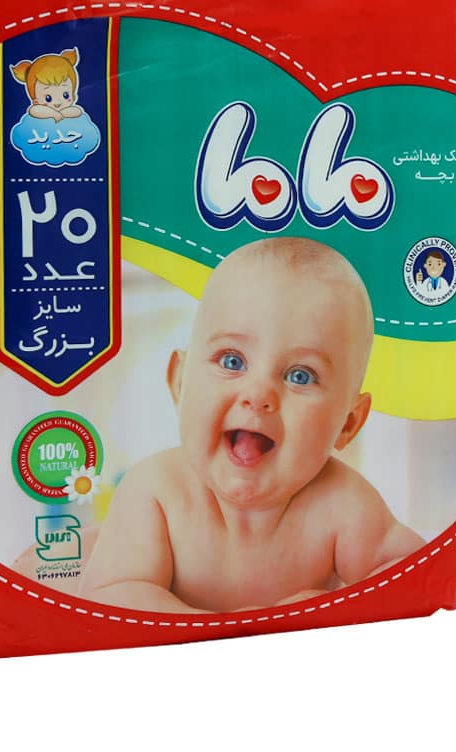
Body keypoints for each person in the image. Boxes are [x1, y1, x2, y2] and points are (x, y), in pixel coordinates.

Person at [79, 237, 423, 613]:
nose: (259, 395)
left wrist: (327, 608)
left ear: (348, 424)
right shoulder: (157, 492)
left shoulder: (343, 504)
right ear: (180, 382)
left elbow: (415, 574)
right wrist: (224, 627)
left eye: (300, 376)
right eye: (232, 361)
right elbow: (112, 597)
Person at [10, 48, 85, 122]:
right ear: (36, 102)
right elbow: (34, 110)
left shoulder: (71, 110)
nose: (57, 103)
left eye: (66, 95)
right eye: (48, 98)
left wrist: (62, 114)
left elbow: (77, 111)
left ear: (73, 96)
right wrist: (53, 114)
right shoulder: (37, 110)